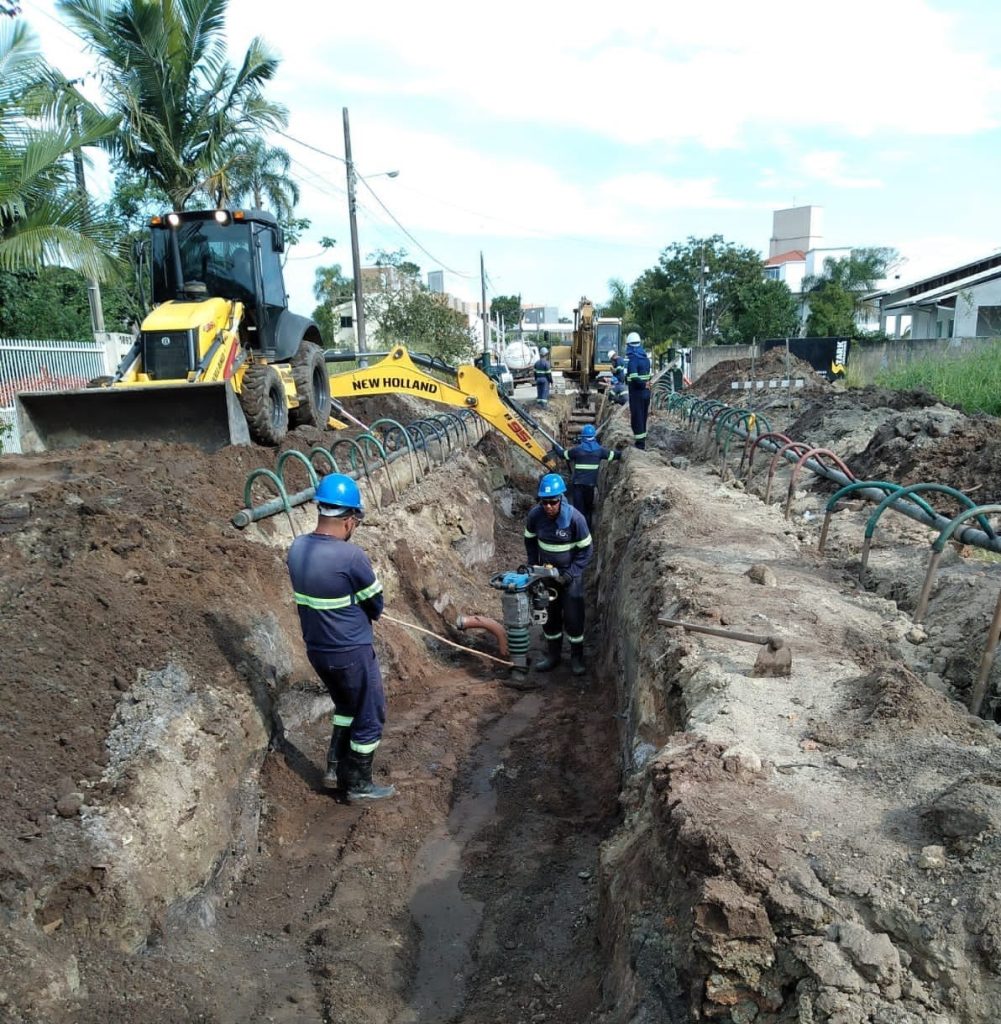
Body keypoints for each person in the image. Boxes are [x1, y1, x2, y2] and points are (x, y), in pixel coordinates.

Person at [286, 473, 395, 802]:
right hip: (351, 651)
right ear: (349, 521)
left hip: (318, 651)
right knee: (370, 712)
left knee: (346, 704)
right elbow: (376, 605)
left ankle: (334, 769)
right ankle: (359, 782)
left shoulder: (297, 548)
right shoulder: (351, 557)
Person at [523, 473, 593, 676]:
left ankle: (577, 657)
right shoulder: (535, 516)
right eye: (544, 502)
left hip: (570, 576)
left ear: (561, 498)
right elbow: (529, 540)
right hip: (546, 575)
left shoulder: (575, 519)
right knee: (549, 616)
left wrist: (570, 574)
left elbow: (586, 550)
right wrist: (533, 565)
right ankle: (553, 655)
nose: (548, 506)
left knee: (573, 617)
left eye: (553, 502)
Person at [561, 424, 621, 530]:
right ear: (594, 436)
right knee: (588, 509)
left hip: (578, 485)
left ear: (583, 437)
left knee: (578, 510)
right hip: (590, 486)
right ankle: (587, 531)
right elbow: (613, 455)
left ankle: (577, 530)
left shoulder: (577, 450)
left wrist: (556, 449)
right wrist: (624, 453)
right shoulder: (600, 451)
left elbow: (564, 455)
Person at [625, 331, 653, 449]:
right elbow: (648, 376)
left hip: (637, 393)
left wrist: (641, 384)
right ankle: (642, 442)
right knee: (643, 417)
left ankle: (639, 445)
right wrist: (645, 385)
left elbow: (634, 378)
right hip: (646, 394)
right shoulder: (645, 359)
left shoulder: (633, 360)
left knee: (637, 419)